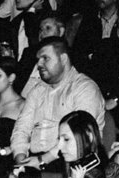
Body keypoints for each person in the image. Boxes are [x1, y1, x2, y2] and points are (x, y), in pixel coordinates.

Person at [8, 38, 107, 166]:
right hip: (35, 160)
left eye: (45, 58)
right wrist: (20, 158)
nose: (39, 64)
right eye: (38, 59)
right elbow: (21, 128)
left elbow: (80, 136)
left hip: (71, 160)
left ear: (64, 59)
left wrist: (42, 160)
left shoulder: (84, 88)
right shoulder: (37, 91)